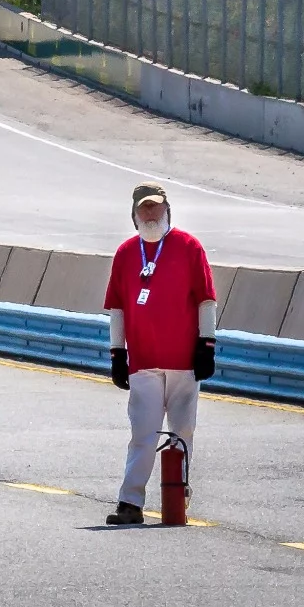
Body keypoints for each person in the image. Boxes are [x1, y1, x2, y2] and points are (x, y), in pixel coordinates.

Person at [103, 182, 217, 526]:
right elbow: (118, 308)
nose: (150, 215)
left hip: (184, 361)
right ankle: (130, 502)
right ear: (134, 215)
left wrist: (206, 344)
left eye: (156, 209)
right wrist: (116, 353)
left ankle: (176, 494)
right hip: (143, 363)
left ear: (167, 211)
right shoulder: (126, 253)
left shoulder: (188, 246)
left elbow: (206, 299)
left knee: (183, 430)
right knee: (142, 431)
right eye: (144, 210)